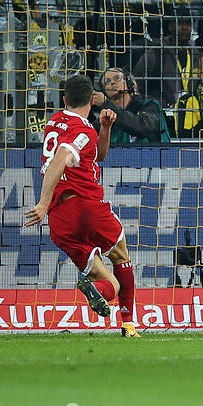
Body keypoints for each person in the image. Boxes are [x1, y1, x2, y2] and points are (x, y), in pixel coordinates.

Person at [23, 73, 140, 339]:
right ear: (92, 99)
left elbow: (96, 155)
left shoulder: (55, 121)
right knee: (121, 256)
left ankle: (97, 291)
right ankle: (129, 325)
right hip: (85, 206)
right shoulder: (83, 130)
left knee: (110, 284)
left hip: (60, 220)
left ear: (64, 99)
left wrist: (105, 130)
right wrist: (41, 203)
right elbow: (62, 158)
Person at [92, 67, 171, 144]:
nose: (112, 82)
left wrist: (106, 104)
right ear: (104, 91)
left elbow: (142, 128)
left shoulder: (150, 106)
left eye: (117, 78)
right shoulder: (102, 120)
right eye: (107, 82)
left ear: (129, 83)